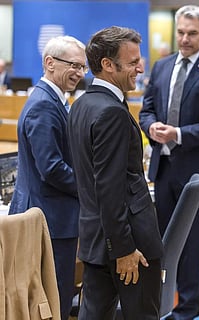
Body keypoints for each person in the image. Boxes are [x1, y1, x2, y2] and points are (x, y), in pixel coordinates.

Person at [139, 5, 199, 319]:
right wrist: (151, 126)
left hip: (198, 173)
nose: (184, 38)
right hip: (164, 169)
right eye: (180, 32)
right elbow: (147, 110)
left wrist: (177, 134)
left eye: (192, 33)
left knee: (192, 245)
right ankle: (182, 301)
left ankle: (190, 309)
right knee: (166, 243)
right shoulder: (163, 65)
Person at [67, 26, 164, 320]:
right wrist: (124, 249)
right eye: (133, 61)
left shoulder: (81, 104)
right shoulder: (111, 111)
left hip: (96, 240)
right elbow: (109, 187)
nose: (141, 67)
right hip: (127, 245)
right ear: (108, 65)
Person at [8, 36, 86, 320]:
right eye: (74, 65)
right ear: (49, 63)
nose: (79, 72)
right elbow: (51, 168)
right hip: (49, 220)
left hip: (51, 217)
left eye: (83, 67)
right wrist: (88, 189)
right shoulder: (44, 104)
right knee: (54, 300)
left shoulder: (54, 99)